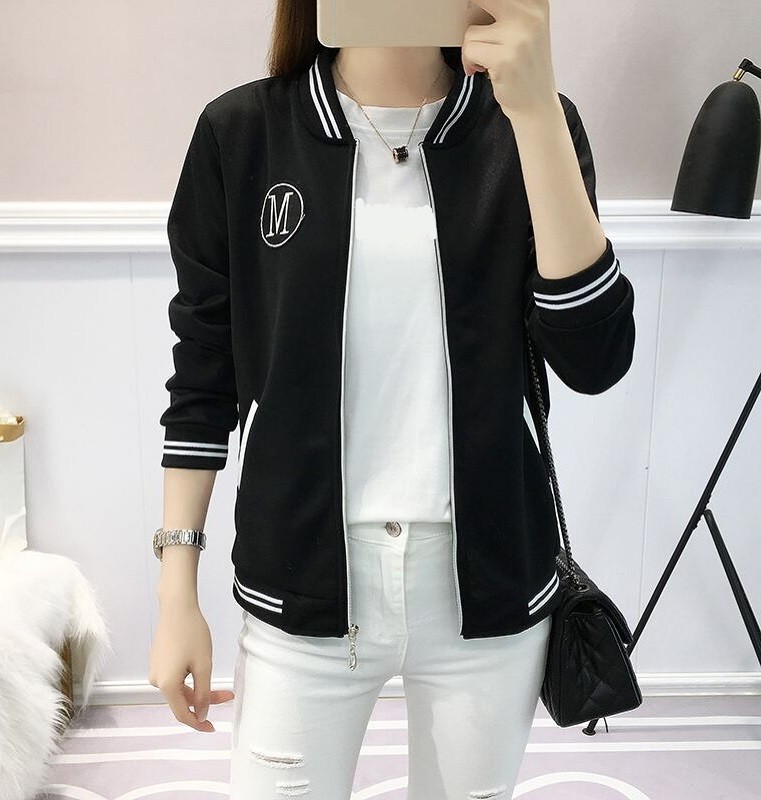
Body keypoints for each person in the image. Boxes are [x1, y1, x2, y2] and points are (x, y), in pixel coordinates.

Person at [148, 1, 636, 798]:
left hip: (489, 584)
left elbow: (595, 359)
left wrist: (536, 111)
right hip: (300, 579)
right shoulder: (243, 133)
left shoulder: (531, 124)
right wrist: (177, 592)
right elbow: (203, 377)